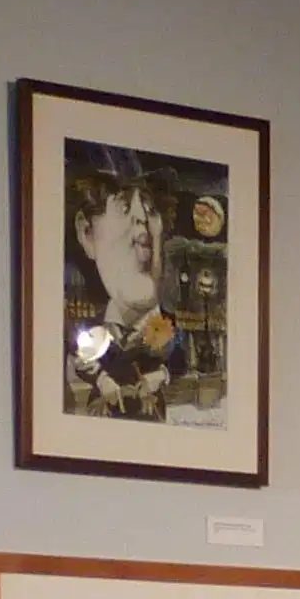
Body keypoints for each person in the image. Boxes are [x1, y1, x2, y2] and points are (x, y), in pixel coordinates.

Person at [63, 156, 194, 423]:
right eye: (124, 206)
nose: (144, 226)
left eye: (151, 210)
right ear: (86, 233)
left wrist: (157, 378)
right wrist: (104, 381)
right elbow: (82, 360)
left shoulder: (170, 326)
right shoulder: (92, 328)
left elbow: (179, 363)